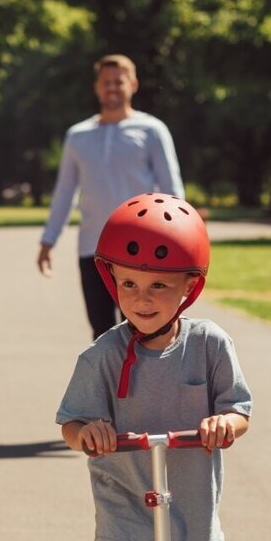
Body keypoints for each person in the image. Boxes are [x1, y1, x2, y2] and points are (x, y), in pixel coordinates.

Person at [56, 194, 251, 541]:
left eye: (160, 286)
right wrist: (87, 431)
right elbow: (70, 423)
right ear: (111, 280)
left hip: (189, 521)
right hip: (126, 524)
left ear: (189, 287)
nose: (142, 299)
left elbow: (240, 411)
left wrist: (223, 423)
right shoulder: (102, 357)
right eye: (130, 285)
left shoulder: (211, 345)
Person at [38, 55, 184, 340]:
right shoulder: (77, 136)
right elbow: (65, 192)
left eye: (119, 81)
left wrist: (178, 245)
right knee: (102, 335)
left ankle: (144, 386)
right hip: (92, 251)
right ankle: (109, 386)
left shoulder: (152, 131)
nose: (112, 88)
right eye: (106, 82)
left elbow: (173, 193)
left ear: (133, 84)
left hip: (142, 252)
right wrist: (48, 240)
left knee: (147, 332)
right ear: (96, 87)